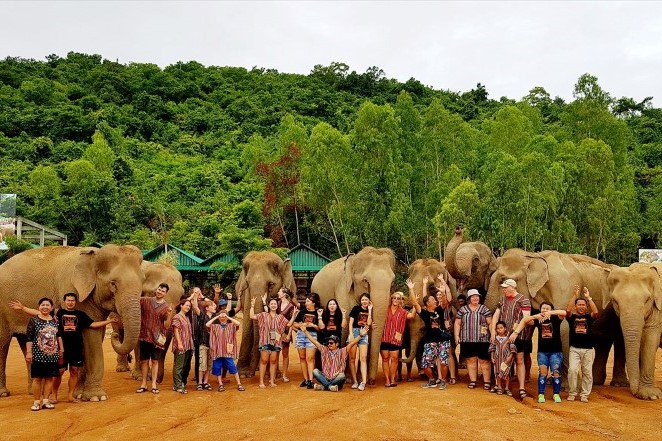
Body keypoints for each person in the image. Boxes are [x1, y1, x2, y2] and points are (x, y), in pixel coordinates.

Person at [10, 293, 117, 403]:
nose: (70, 302)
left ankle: (70, 395)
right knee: (59, 372)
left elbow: (93, 324)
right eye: (68, 300)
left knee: (74, 371)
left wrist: (110, 321)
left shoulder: (80, 314)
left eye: (72, 301)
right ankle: (54, 395)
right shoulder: (58, 313)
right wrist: (23, 308)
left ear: (75, 302)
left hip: (76, 348)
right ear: (64, 301)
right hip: (60, 349)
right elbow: (39, 312)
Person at [513, 301, 567, 403]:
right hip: (542, 352)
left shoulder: (556, 319)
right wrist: (537, 316)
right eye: (543, 308)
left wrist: (551, 313)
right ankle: (541, 394)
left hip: (555, 351)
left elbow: (564, 312)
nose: (545, 310)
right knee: (543, 373)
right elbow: (526, 320)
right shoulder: (539, 320)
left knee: (556, 372)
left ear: (551, 309)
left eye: (547, 308)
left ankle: (556, 394)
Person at [490, 278, 531, 399]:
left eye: (505, 288)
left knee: (519, 360)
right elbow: (496, 315)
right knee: (501, 359)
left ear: (512, 287)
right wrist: (493, 331)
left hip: (519, 336)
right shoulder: (502, 300)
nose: (503, 290)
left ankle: (521, 387)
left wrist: (516, 332)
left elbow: (526, 318)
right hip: (503, 336)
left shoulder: (524, 300)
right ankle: (500, 385)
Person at [303, 325, 370, 391]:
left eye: (331, 343)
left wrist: (360, 335)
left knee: (342, 376)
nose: (329, 344)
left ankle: (324, 386)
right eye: (328, 343)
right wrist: (305, 331)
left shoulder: (343, 351)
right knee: (315, 371)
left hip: (337, 379)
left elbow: (352, 343)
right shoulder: (324, 349)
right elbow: (314, 341)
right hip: (326, 378)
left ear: (337, 344)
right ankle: (330, 386)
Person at [136, 283, 174, 394]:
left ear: (165, 294)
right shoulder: (145, 301)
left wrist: (170, 314)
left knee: (155, 361)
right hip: (145, 336)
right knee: (144, 361)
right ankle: (143, 384)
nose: (159, 292)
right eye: (159, 289)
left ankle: (153, 384)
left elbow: (167, 326)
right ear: (156, 290)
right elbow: (133, 302)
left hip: (158, 338)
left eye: (162, 291)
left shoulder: (167, 307)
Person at [410, 289, 449, 390]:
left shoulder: (439, 310)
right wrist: (411, 289)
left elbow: (444, 302)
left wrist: (443, 292)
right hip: (430, 341)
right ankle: (432, 380)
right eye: (433, 299)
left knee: (444, 362)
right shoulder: (425, 313)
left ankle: (443, 381)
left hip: (442, 341)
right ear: (428, 303)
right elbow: (415, 303)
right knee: (425, 363)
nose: (436, 300)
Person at [25, 298, 59, 411]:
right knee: (37, 379)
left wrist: (61, 350)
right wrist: (29, 352)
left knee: (50, 378)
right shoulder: (34, 320)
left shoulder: (55, 320)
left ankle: (45, 401)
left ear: (51, 308)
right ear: (39, 307)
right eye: (43, 305)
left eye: (47, 305)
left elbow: (58, 336)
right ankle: (36, 402)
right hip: (38, 355)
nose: (45, 307)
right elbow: (29, 337)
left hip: (52, 355)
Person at [455, 289, 493, 391]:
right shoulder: (463, 310)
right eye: (473, 297)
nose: (475, 298)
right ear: (469, 299)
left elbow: (490, 323)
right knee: (470, 360)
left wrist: (493, 334)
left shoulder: (484, 309)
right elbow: (457, 323)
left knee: (484, 361)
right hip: (467, 339)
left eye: (477, 296)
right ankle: (473, 381)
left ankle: (487, 382)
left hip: (483, 340)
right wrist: (456, 336)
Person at [566, 286, 599, 402]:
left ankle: (584, 394)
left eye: (583, 305)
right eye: (579, 305)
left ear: (586, 307)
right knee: (572, 370)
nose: (581, 306)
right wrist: (575, 295)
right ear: (576, 306)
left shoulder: (589, 317)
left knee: (587, 373)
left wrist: (588, 297)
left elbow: (595, 312)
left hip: (588, 349)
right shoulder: (572, 317)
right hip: (574, 349)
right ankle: (572, 392)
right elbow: (568, 311)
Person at [250, 296, 290, 388]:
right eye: (271, 304)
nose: (273, 305)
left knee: (273, 361)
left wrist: (294, 315)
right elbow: (252, 316)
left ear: (277, 306)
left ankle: (272, 381)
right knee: (264, 360)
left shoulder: (280, 317)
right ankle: (261, 382)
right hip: (265, 341)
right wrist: (252, 306)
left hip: (275, 342)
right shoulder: (263, 315)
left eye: (275, 304)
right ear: (268, 305)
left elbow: (289, 324)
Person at [382, 288, 416, 387]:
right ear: (391, 299)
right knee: (385, 358)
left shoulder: (403, 311)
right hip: (384, 337)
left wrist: (415, 304)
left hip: (395, 339)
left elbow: (412, 316)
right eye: (394, 298)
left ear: (400, 300)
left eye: (398, 298)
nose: (396, 300)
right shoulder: (385, 309)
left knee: (395, 359)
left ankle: (392, 379)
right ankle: (387, 380)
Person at [429, 274, 458, 384]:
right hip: (437, 333)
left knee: (449, 353)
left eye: (441, 295)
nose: (440, 297)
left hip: (447, 333)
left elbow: (448, 296)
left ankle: (453, 376)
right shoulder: (435, 308)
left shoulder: (447, 306)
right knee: (437, 355)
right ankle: (440, 376)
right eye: (438, 295)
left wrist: (443, 283)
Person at [206, 310, 244, 391]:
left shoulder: (231, 326)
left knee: (232, 367)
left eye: (224, 316)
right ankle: (220, 384)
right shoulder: (215, 326)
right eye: (221, 316)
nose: (223, 317)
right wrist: (217, 316)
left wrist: (228, 317)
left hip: (227, 352)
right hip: (217, 351)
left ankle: (239, 383)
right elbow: (207, 324)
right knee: (217, 368)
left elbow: (238, 323)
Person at [294, 292, 324, 389]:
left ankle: (311, 380)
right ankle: (306, 379)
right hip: (300, 335)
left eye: (308, 301)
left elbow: (320, 328)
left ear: (313, 303)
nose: (306, 303)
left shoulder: (318, 312)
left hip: (312, 336)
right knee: (302, 358)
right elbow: (295, 324)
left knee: (310, 358)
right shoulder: (302, 312)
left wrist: (313, 326)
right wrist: (301, 325)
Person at [347, 293, 373, 391]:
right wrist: (351, 334)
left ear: (369, 301)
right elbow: (351, 323)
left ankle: (363, 382)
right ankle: (355, 381)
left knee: (363, 358)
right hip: (354, 332)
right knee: (352, 358)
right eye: (362, 300)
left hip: (364, 333)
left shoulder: (369, 310)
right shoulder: (356, 309)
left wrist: (370, 310)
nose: (364, 301)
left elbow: (369, 323)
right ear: (360, 301)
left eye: (366, 300)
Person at [172, 299, 195, 394]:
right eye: (186, 305)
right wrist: (179, 343)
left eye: (189, 306)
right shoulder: (177, 317)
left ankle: (182, 383)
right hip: (181, 345)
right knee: (179, 366)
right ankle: (177, 386)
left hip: (189, 346)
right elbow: (176, 330)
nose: (188, 307)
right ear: (181, 305)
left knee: (186, 366)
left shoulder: (187, 317)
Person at [276, 287, 298, 382]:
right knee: (275, 352)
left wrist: (289, 334)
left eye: (279, 292)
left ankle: (284, 375)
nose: (278, 293)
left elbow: (291, 322)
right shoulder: (277, 304)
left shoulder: (291, 306)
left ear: (284, 294)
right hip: (276, 332)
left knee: (285, 353)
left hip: (285, 331)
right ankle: (275, 372)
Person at [489, 321, 516, 396]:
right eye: (498, 328)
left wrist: (510, 357)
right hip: (497, 359)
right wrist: (492, 357)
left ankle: (507, 388)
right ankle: (499, 387)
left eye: (501, 328)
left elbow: (513, 349)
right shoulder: (495, 339)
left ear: (505, 329)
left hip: (506, 360)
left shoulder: (509, 338)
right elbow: (492, 348)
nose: (499, 329)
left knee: (506, 374)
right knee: (498, 373)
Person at [195, 299, 216, 391]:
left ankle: (205, 382)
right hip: (203, 344)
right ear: (207, 308)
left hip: (212, 345)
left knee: (209, 365)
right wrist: (195, 297)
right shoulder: (203, 316)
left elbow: (227, 311)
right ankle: (200, 382)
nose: (214, 306)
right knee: (202, 364)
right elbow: (195, 307)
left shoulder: (215, 317)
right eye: (212, 305)